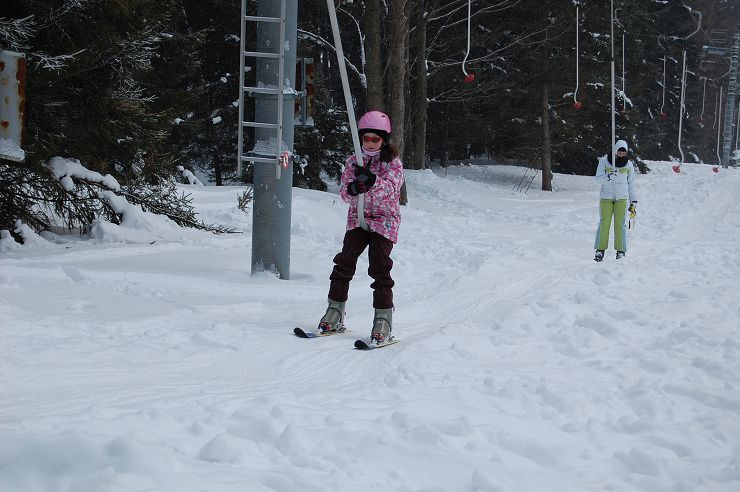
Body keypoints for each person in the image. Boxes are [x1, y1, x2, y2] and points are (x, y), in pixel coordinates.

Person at [317, 110, 405, 343]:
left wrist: (373, 181)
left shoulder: (392, 162)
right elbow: (345, 194)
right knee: (344, 262)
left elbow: (392, 191)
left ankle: (383, 320)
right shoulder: (353, 160)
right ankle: (335, 311)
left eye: (375, 139)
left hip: (384, 221)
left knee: (379, 266)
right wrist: (354, 188)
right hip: (358, 218)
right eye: (366, 138)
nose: (370, 143)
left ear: (383, 140)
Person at [593, 139, 638, 262]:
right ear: (615, 150)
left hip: (621, 199)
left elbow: (631, 184)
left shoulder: (628, 165)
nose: (621, 154)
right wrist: (608, 176)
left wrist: (633, 200)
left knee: (620, 225)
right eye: (619, 151)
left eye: (624, 152)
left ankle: (620, 250)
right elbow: (597, 179)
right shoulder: (605, 161)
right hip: (606, 198)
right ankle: (600, 250)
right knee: (604, 223)